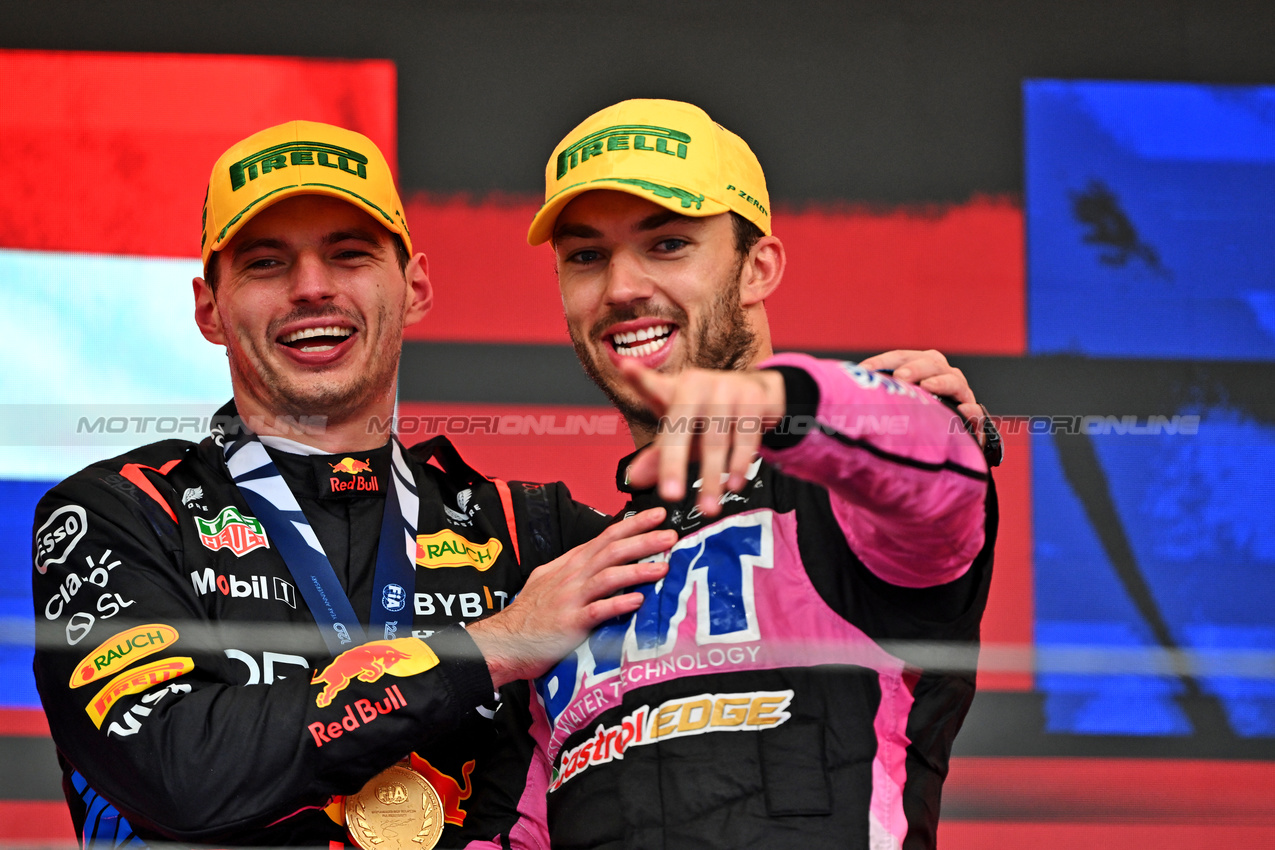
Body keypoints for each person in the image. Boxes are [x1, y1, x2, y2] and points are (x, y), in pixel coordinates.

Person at [30, 120, 678, 849]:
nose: (312, 288)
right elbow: (179, 769)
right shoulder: (122, 513)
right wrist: (490, 648)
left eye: (349, 255)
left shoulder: (531, 530)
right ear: (208, 309)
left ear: (415, 288)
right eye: (267, 263)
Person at [523, 99, 999, 850]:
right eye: (585, 256)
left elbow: (940, 470)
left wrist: (780, 399)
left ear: (758, 267)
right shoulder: (573, 580)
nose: (620, 287)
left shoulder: (850, 496)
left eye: (669, 244)